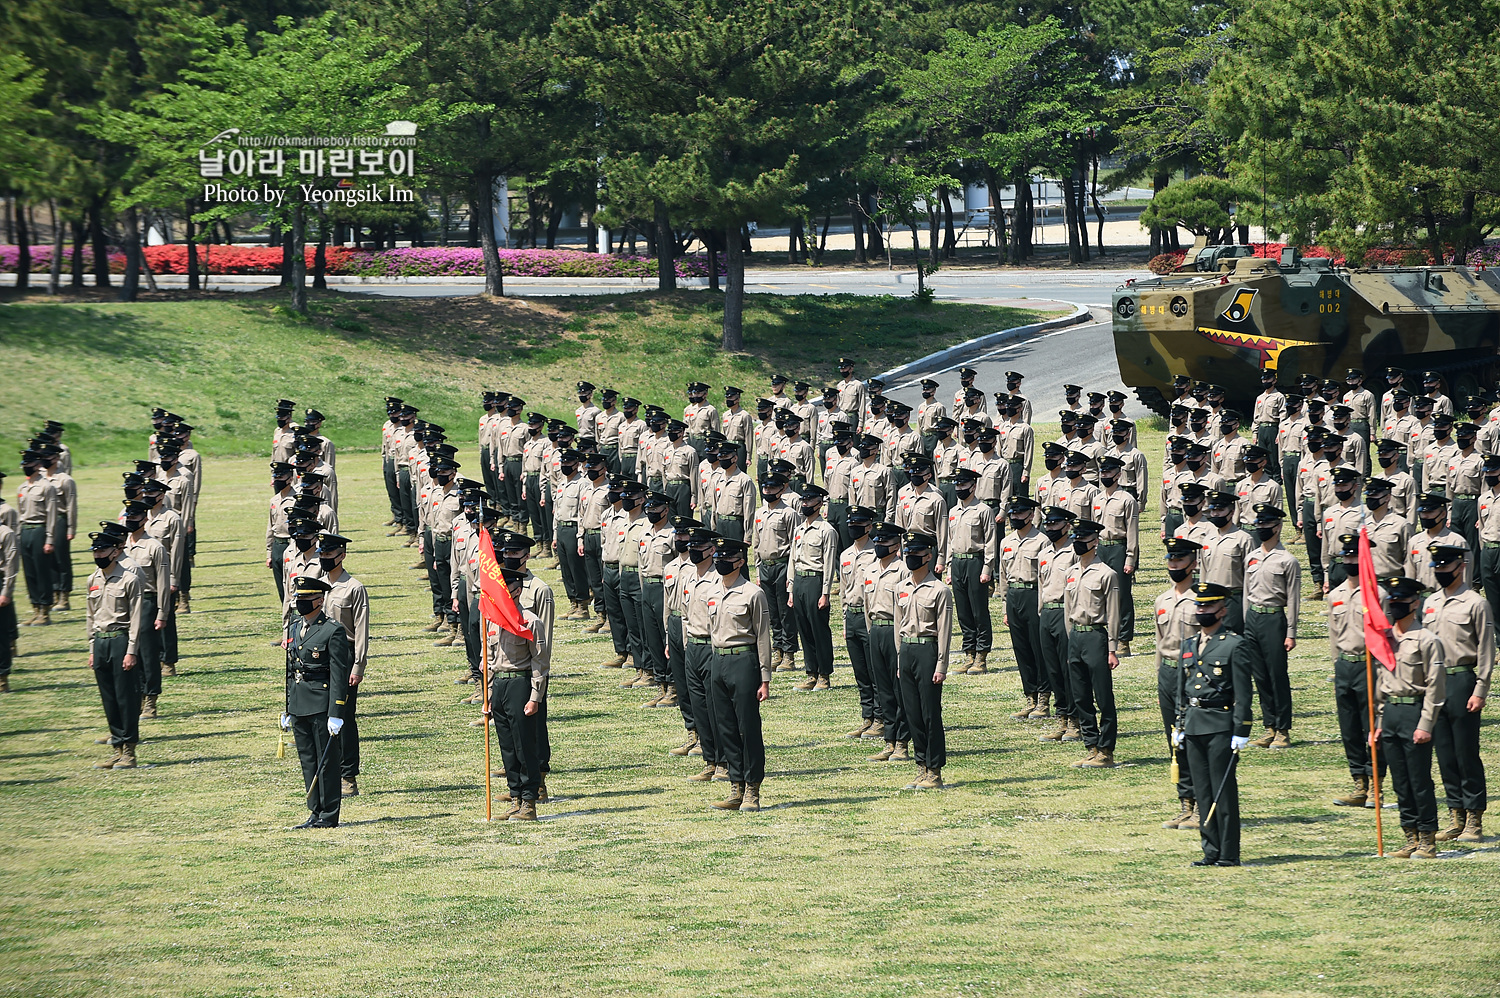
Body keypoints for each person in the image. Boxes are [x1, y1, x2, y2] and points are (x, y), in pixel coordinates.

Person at [1174, 582, 1254, 866]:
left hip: (1221, 725)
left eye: (1207, 606)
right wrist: (1179, 725)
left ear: (1222, 610)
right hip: (1194, 724)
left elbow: (1244, 692)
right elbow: (1182, 691)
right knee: (1203, 790)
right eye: (1199, 605)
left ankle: (1229, 852)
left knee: (1223, 790)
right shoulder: (1188, 645)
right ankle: (1210, 850)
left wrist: (1241, 730)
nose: (1202, 610)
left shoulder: (1234, 644)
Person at [1374, 575, 1446, 859]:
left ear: (1415, 603)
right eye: (1392, 602)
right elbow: (1381, 682)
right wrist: (1378, 722)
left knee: (1419, 780)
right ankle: (1410, 835)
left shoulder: (1427, 640)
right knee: (1400, 781)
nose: (1395, 606)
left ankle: (1428, 837)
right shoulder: (1385, 640)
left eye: (1401, 601)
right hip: (1390, 712)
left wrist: (1426, 724)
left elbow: (1435, 687)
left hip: (1414, 712)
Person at [1423, 544, 1490, 844]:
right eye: (1436, 568)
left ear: (1460, 567)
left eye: (1445, 568)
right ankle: (1456, 815)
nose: (1440, 573)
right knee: (1445, 754)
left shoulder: (1476, 603)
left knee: (1466, 753)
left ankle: (1474, 817)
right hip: (1434, 684)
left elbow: (1486, 650)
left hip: (1463, 680)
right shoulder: (1430, 603)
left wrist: (1481, 689)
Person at [705, 536, 772, 812]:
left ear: (740, 561)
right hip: (718, 661)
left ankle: (753, 787)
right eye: (718, 557)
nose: (721, 562)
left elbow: (763, 636)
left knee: (748, 727)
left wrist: (765, 678)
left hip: (743, 660)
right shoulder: (712, 590)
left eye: (727, 558)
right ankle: (736, 785)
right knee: (726, 728)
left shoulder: (752, 593)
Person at [484, 566, 551, 821]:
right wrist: (487, 694)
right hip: (499, 685)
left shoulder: (530, 621)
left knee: (525, 747)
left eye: (507, 589)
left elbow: (539, 662)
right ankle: (514, 796)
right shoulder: (491, 620)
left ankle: (529, 801)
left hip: (520, 684)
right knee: (508, 747)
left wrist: (535, 697)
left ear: (517, 590)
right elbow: (489, 660)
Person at [86, 522, 147, 770]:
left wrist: (132, 650)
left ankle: (129, 752)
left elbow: (136, 618)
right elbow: (90, 617)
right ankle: (117, 749)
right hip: (101, 643)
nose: (98, 555)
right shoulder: (92, 580)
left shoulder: (129, 579)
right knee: (109, 699)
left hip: (121, 640)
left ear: (114, 551)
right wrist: (91, 648)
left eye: (102, 551)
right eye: (95, 551)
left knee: (126, 698)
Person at [312, 533, 369, 798]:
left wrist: (358, 665)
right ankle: (326, 769)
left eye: (329, 554)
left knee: (343, 717)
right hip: (318, 655)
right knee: (320, 715)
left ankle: (348, 776)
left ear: (342, 554)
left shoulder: (354, 587)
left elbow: (360, 629)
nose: (324, 558)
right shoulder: (316, 585)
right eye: (321, 554)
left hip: (343, 656)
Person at [1062, 519, 1122, 768]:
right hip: (1076, 636)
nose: (1078, 543)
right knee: (1080, 696)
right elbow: (1067, 609)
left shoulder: (1107, 574)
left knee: (1103, 696)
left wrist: (1112, 648)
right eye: (1075, 538)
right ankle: (1091, 744)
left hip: (1096, 637)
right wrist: (1070, 638)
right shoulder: (1071, 572)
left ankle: (1106, 750)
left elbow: (1115, 613)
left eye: (1083, 539)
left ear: (1095, 541)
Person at [1326, 533, 1380, 807]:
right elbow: (1334, 636)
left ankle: (1376, 785)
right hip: (1344, 666)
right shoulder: (1335, 595)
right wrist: (1336, 667)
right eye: (1345, 556)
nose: (1348, 561)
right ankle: (1359, 782)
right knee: (1348, 729)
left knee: (1370, 727)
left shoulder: (1377, 594)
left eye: (1353, 556)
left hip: (1369, 666)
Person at [896, 530, 952, 789]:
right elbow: (899, 625)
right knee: (913, 714)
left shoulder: (940, 590)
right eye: (908, 553)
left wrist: (941, 665)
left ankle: (935, 770)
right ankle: (921, 765)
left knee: (930, 714)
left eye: (916, 553)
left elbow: (944, 630)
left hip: (928, 651)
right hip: (907, 651)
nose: (911, 557)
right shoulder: (901, 587)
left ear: (928, 556)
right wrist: (899, 659)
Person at [1244, 503, 1301, 749]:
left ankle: (1283, 730)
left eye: (1266, 524)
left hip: (1274, 619)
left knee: (1277, 675)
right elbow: (1247, 591)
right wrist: (1246, 623)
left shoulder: (1288, 560)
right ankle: (1269, 727)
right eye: (1259, 524)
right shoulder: (1251, 557)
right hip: (1254, 619)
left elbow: (1293, 599)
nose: (1261, 528)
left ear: (1277, 527)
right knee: (1260, 676)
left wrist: (1291, 632)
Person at [1157, 538, 1201, 828]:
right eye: (1171, 560)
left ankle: (1202, 804)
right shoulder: (1161, 600)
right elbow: (1161, 643)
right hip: (1168, 674)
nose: (1174, 565)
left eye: (1180, 560)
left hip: (1194, 675)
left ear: (1193, 563)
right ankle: (1185, 802)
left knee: (1196, 741)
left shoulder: (1201, 600)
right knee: (1174, 741)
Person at [863, 521, 909, 762]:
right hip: (877, 632)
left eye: (885, 541)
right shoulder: (870, 570)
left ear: (896, 544)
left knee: (899, 689)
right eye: (877, 540)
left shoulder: (902, 570)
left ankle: (902, 742)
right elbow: (867, 606)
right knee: (883, 691)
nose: (879, 544)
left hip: (895, 630)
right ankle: (889, 741)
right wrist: (872, 632)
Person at [681, 527, 724, 781]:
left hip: (711, 646)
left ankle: (724, 762)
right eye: (692, 548)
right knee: (699, 707)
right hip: (693, 646)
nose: (694, 552)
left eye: (699, 548)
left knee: (715, 707)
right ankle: (709, 759)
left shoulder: (718, 579)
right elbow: (685, 615)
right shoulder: (689, 578)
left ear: (711, 550)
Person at [121, 502, 170, 720]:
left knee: (149, 655)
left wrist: (162, 613)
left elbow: (162, 583)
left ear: (145, 519)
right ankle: (137, 696)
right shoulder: (121, 546)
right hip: (126, 606)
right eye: (128, 516)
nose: (130, 520)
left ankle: (151, 700)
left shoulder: (154, 547)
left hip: (148, 603)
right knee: (132, 653)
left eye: (135, 517)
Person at [788, 484, 839, 692]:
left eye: (809, 500)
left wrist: (825, 592)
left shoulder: (826, 530)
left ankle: (824, 674)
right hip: (799, 580)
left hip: (816, 581)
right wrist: (791, 587)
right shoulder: (799, 529)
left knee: (819, 630)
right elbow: (793, 558)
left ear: (819, 504)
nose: (805, 504)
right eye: (803, 500)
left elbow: (828, 563)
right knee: (804, 629)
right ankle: (811, 673)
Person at [1000, 496, 1048, 716]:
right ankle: (1030, 697)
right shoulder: (1006, 542)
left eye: (1020, 514)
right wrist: (1004, 607)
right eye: (1013, 514)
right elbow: (1002, 577)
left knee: (1039, 649)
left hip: (1033, 595)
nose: (1015, 518)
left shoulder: (1042, 541)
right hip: (1014, 597)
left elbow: (1046, 576)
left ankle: (1044, 698)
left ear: (1030, 515)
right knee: (1021, 650)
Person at [946, 468, 997, 675]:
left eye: (963, 485)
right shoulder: (953, 511)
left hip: (976, 562)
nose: (959, 489)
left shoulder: (983, 510)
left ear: (973, 486)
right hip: (958, 563)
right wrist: (949, 567)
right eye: (957, 485)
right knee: (963, 612)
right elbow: (950, 542)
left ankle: (981, 656)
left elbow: (991, 542)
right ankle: (969, 653)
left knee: (978, 611)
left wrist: (987, 569)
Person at [1037, 506, 1080, 743]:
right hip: (1048, 614)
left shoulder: (1074, 552)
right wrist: (1040, 611)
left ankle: (1075, 721)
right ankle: (1061, 718)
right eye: (1048, 524)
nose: (1050, 528)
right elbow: (1041, 586)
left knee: (1068, 669)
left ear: (1067, 525)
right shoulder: (1044, 554)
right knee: (1053, 669)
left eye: (1055, 524)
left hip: (1066, 612)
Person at [838, 506, 880, 738]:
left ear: (869, 526)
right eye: (851, 524)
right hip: (852, 616)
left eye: (859, 524)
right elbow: (844, 592)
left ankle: (881, 717)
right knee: (860, 672)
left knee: (875, 671)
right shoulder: (845, 555)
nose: (854, 528)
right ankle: (868, 717)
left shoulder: (876, 553)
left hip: (868, 617)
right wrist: (845, 623)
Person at [1093, 457, 1141, 656]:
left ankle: (1123, 640)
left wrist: (1130, 558)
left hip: (1119, 549)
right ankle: (1106, 636)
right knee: (1100, 594)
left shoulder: (1127, 500)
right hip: (1101, 548)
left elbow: (1132, 532)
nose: (1104, 475)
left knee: (1121, 596)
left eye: (1108, 472)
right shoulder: (1097, 498)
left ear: (1118, 474)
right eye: (1102, 472)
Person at [754, 473, 798, 672]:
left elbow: (795, 546)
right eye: (765, 488)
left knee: (785, 611)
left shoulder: (788, 513)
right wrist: (757, 569)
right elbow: (756, 544)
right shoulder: (759, 513)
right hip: (765, 567)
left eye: (772, 488)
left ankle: (789, 653)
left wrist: (791, 576)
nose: (768, 491)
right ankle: (778, 649)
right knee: (771, 613)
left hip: (782, 565)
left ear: (781, 489)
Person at [636, 491, 676, 706]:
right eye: (648, 510)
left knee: (665, 637)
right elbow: (642, 568)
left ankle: (673, 686)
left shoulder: (672, 535)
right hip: (648, 589)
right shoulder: (645, 534)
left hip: (664, 588)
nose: (651, 513)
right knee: (652, 638)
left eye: (655, 510)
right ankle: (660, 684)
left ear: (665, 510)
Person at [16, 451, 60, 628]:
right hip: (25, 530)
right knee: (30, 573)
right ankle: (35, 609)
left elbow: (51, 515)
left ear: (36, 465)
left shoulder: (46, 487)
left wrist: (50, 539)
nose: (25, 468)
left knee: (42, 572)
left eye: (28, 464)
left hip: (39, 530)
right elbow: (20, 514)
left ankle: (45, 611)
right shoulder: (22, 488)